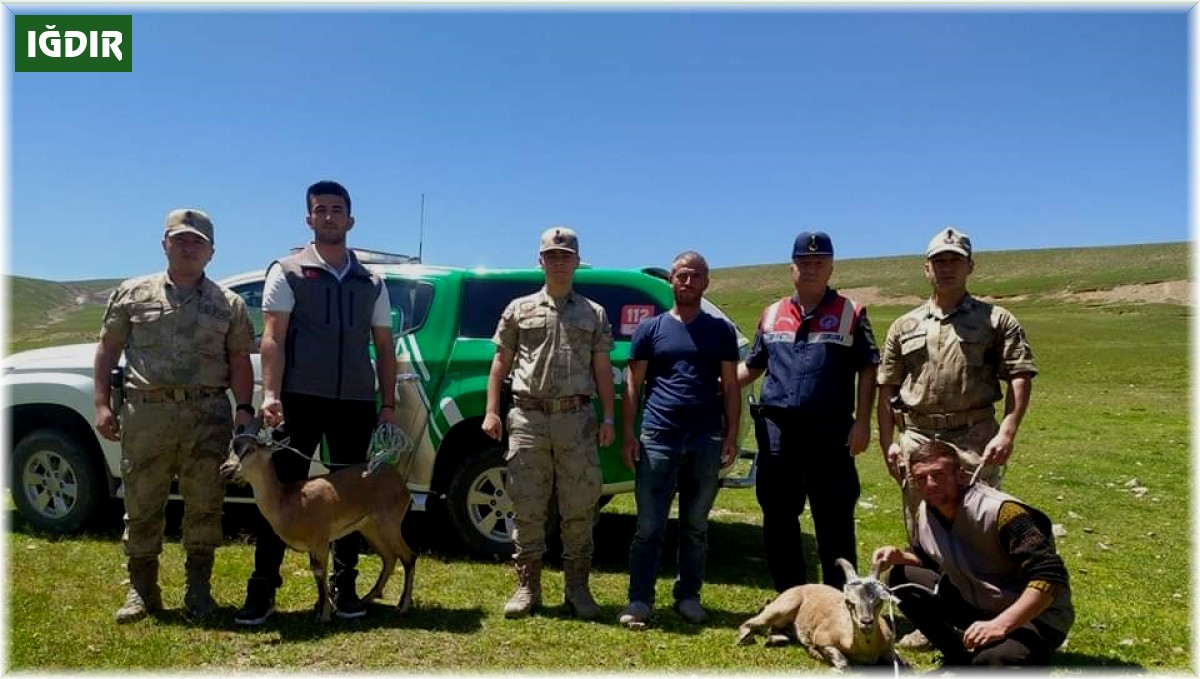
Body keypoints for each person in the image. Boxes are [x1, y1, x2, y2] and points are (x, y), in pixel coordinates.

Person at [235, 180, 398, 625]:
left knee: (349, 496)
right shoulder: (287, 271)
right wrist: (270, 395)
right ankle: (262, 590)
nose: (329, 216)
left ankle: (344, 590)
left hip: (356, 402)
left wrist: (387, 405)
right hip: (298, 400)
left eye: (337, 209)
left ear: (351, 219)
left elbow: (385, 347)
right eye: (320, 209)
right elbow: (272, 338)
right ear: (309, 218)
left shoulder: (372, 281)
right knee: (280, 491)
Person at [94, 208, 256, 623]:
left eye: (197, 241)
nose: (188, 246)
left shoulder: (229, 304)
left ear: (211, 252)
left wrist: (243, 411)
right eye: (180, 239)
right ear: (164, 244)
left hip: (207, 415)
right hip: (147, 413)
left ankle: (198, 592)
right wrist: (101, 404)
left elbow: (239, 360)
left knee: (205, 504)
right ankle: (142, 592)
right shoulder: (132, 294)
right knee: (142, 502)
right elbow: (108, 349)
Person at [483, 226, 616, 620]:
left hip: (576, 419)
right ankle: (528, 587)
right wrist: (492, 410)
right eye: (551, 255)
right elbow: (500, 363)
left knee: (579, 507)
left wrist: (608, 416)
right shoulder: (518, 309)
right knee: (527, 505)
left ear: (577, 261)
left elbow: (603, 368)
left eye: (565, 255)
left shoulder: (593, 314)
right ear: (540, 261)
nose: (558, 261)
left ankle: (577, 588)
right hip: (528, 417)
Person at [735, 231, 879, 593]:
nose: (811, 269)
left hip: (830, 432)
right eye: (804, 263)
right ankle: (791, 599)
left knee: (834, 518)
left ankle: (838, 601)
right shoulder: (771, 314)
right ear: (792, 268)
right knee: (779, 517)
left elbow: (868, 367)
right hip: (778, 432)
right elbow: (753, 366)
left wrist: (863, 422)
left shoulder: (850, 312)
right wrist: (710, 384)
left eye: (818, 262)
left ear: (831, 267)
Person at [876, 227, 1038, 539]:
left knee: (979, 522)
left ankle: (981, 587)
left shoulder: (996, 320)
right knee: (922, 525)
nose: (946, 268)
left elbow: (1020, 374)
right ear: (927, 268)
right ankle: (928, 585)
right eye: (939, 261)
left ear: (970, 266)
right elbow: (888, 388)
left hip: (974, 438)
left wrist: (1007, 431)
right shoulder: (903, 325)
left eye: (955, 260)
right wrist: (888, 444)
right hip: (918, 438)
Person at [617, 251, 740, 628]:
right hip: (658, 435)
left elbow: (731, 386)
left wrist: (731, 434)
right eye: (681, 276)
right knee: (649, 526)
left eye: (695, 277)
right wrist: (629, 434)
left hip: (705, 436)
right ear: (671, 280)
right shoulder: (650, 329)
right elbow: (634, 383)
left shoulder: (720, 331)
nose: (688, 283)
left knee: (696, 526)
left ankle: (688, 597)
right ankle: (640, 600)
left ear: (706, 282)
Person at [872, 439, 1074, 667]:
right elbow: (930, 560)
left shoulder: (1002, 513)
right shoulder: (926, 512)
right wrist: (899, 556)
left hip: (1034, 617)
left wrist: (1000, 625)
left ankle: (1020, 654)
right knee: (900, 576)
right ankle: (957, 657)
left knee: (992, 660)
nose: (930, 484)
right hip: (978, 601)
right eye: (921, 478)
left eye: (938, 475)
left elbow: (1049, 576)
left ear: (960, 475)